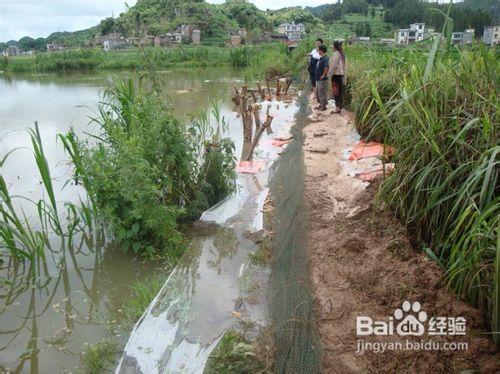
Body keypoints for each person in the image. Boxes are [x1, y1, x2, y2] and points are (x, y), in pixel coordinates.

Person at [328, 40, 346, 114]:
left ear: (334, 46)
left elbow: (334, 66)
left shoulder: (336, 54)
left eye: (332, 45)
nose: (331, 47)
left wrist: (330, 74)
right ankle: (339, 107)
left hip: (336, 76)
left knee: (336, 92)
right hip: (340, 76)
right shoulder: (341, 54)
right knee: (339, 91)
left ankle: (337, 108)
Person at [315, 44, 329, 111]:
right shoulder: (321, 58)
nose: (318, 51)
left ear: (321, 51)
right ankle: (321, 104)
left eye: (318, 50)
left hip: (322, 79)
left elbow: (326, 67)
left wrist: (323, 75)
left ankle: (323, 106)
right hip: (318, 78)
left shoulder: (325, 58)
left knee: (322, 93)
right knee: (318, 92)